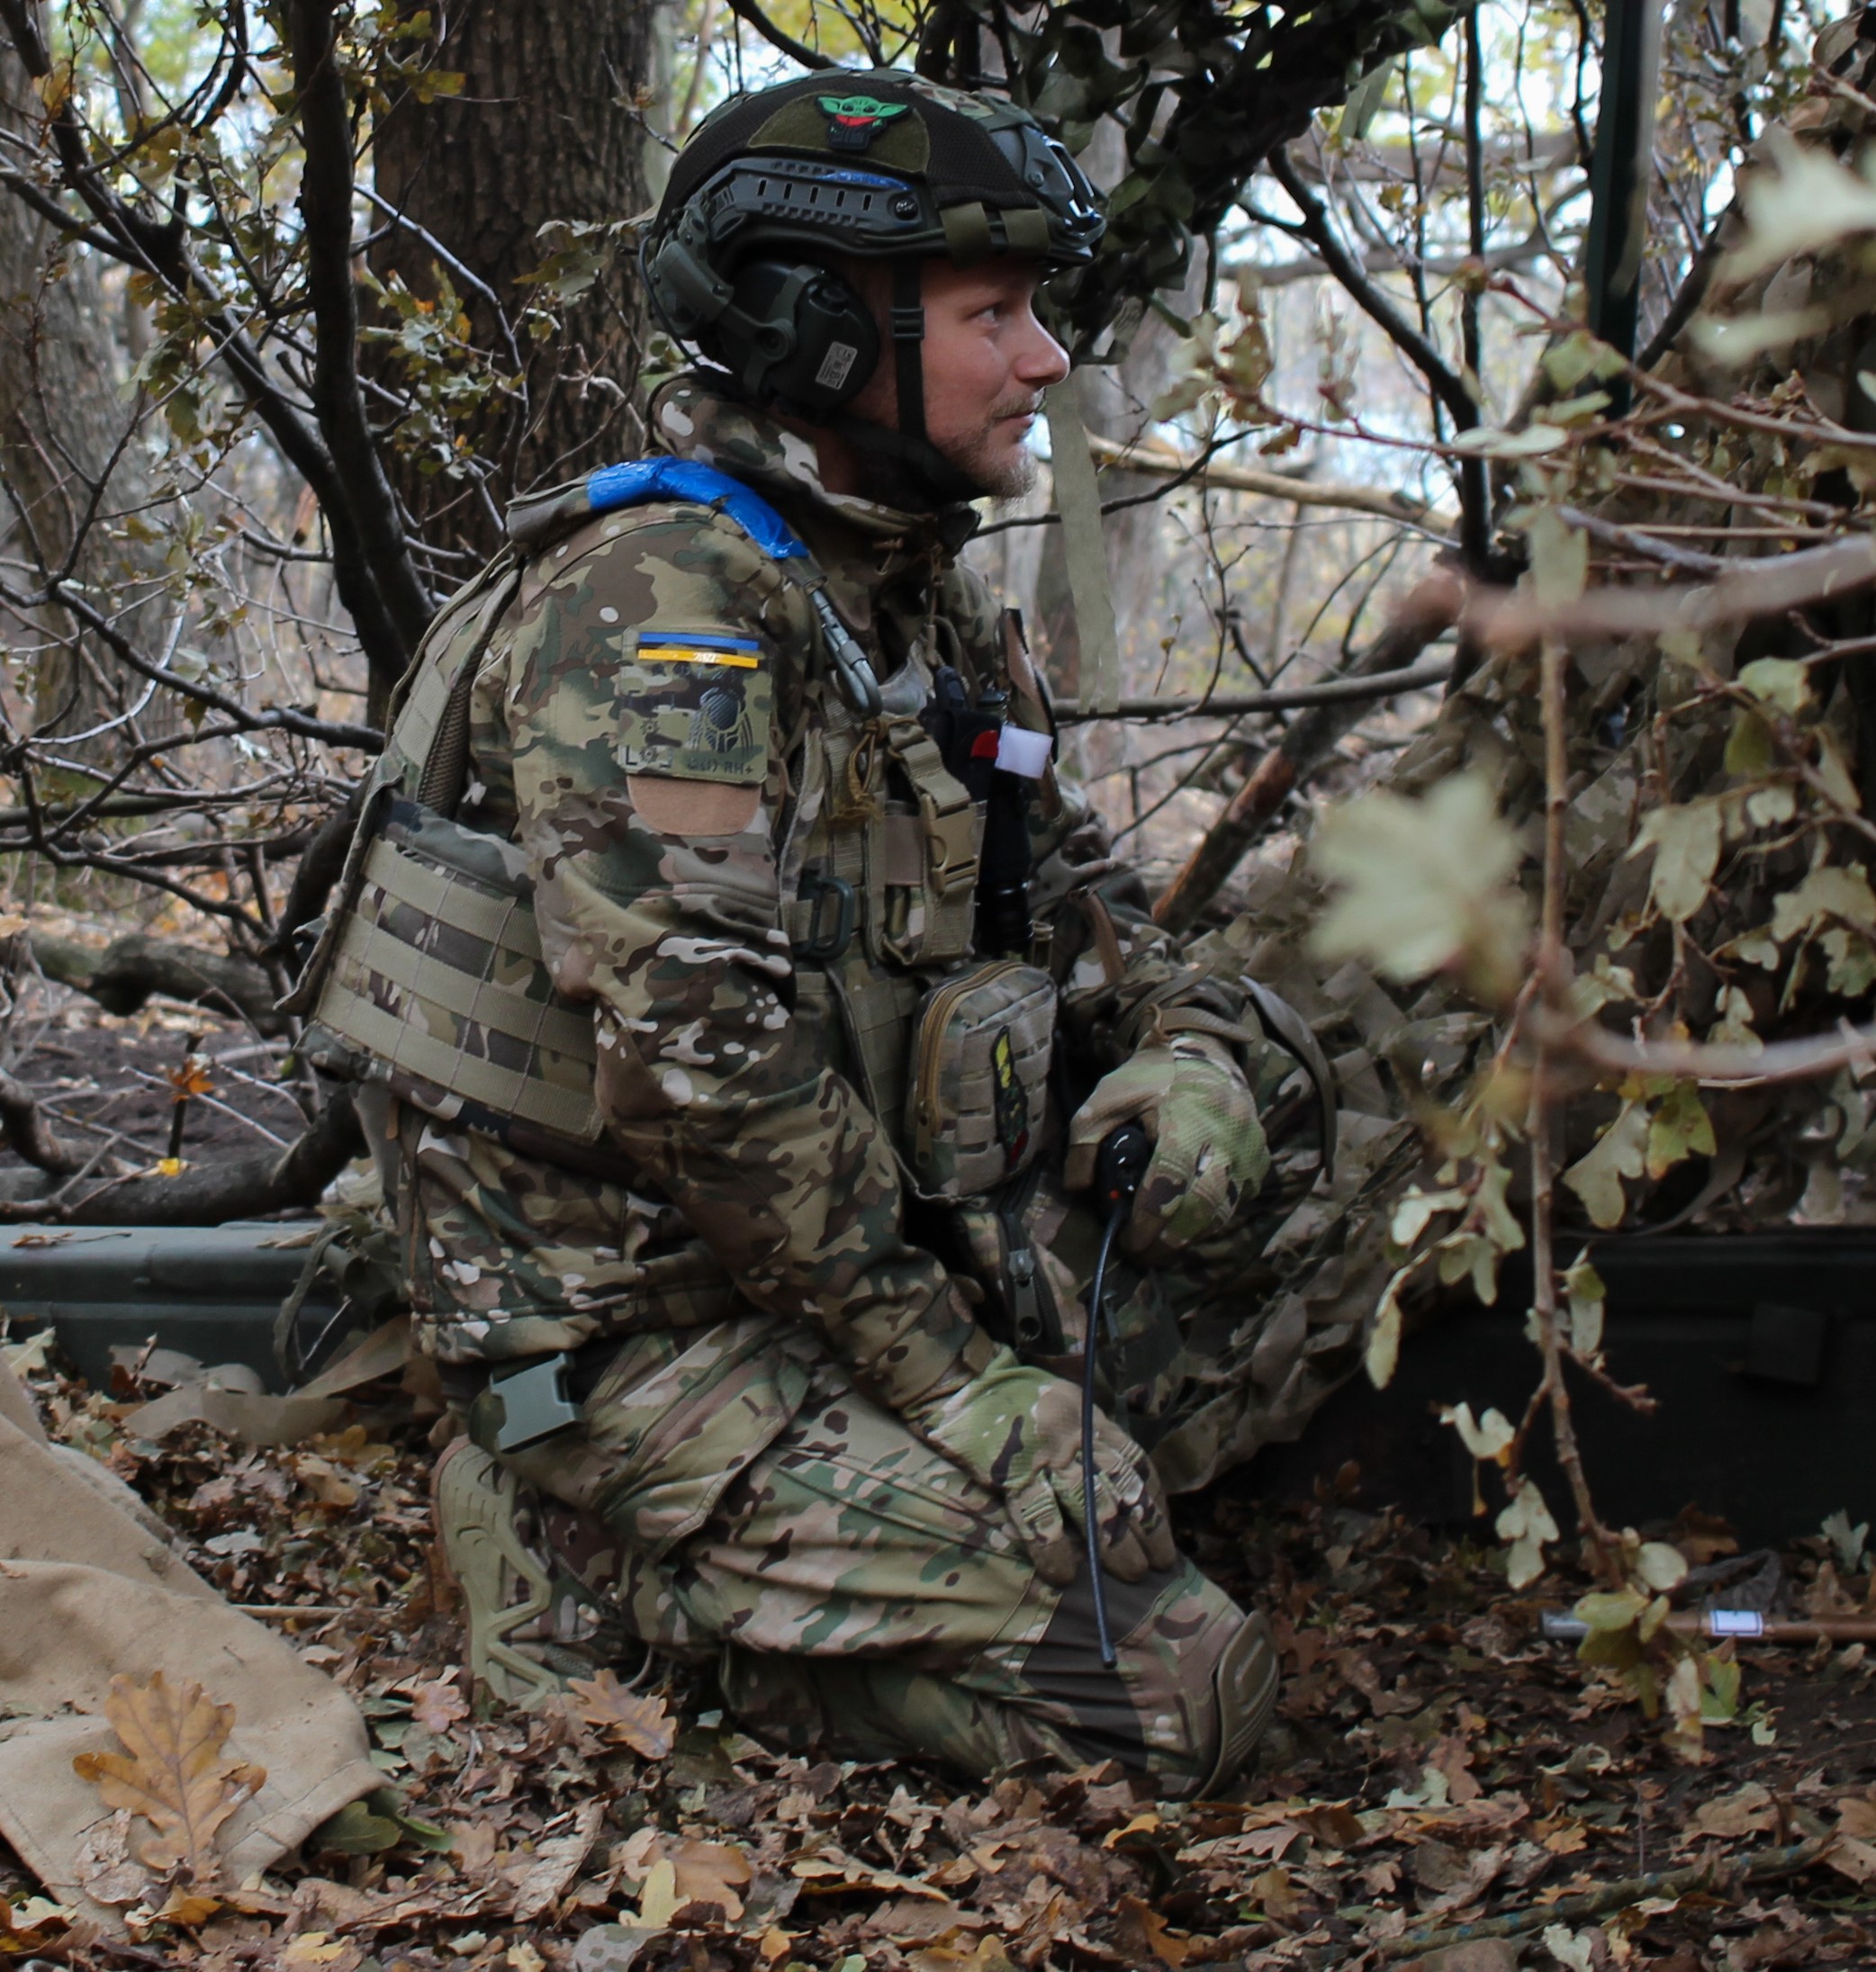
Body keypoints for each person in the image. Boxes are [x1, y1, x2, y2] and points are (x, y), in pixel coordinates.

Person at [287, 69, 1304, 1796]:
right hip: (627, 1333)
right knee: (1182, 1705)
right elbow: (708, 1074)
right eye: (994, 316)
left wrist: (1196, 1060)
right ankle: (571, 1567)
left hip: (853, 1262)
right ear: (819, 335)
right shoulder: (665, 611)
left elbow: (1082, 915)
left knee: (1303, 1204)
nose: (1045, 359)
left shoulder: (914, 598)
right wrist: (968, 1392)